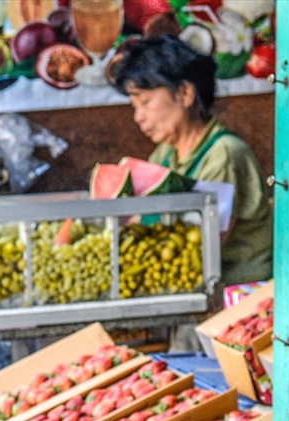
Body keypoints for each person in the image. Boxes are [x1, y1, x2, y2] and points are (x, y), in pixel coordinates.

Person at [114, 36, 273, 287]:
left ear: (185, 93)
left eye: (145, 102)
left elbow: (201, 243)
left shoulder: (225, 154)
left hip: (236, 294)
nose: (138, 117)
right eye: (134, 106)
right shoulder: (165, 153)